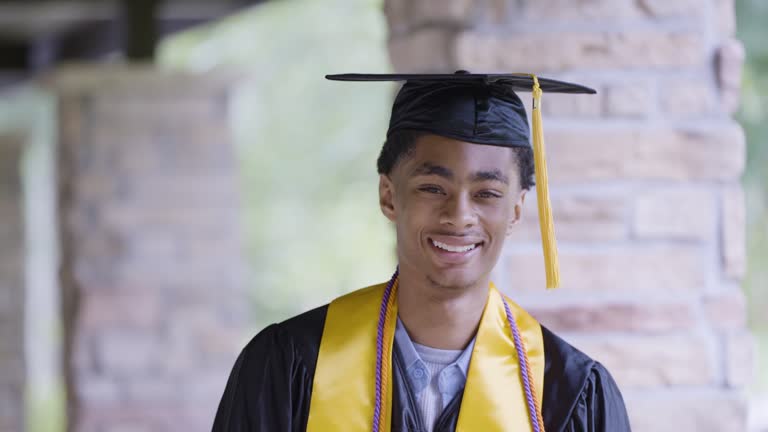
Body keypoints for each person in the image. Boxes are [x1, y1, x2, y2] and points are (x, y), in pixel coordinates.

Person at [212, 71, 632, 432]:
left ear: (516, 210)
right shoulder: (290, 365)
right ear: (389, 196)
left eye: (487, 193)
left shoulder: (573, 393)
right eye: (433, 188)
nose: (460, 215)